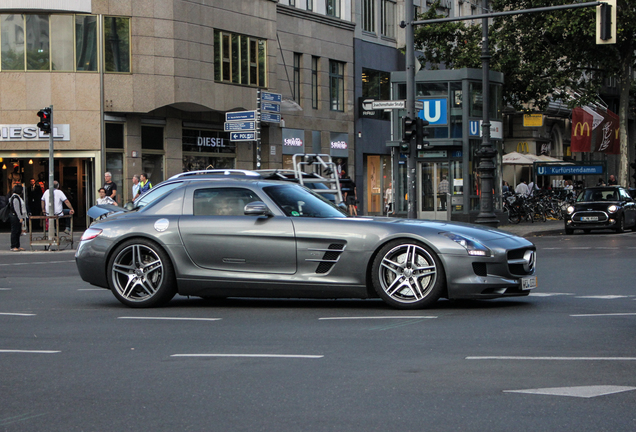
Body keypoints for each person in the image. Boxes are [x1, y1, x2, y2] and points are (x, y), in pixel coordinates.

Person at [8, 185, 27, 251]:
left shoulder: (16, 197)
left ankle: (17, 246)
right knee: (15, 231)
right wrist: (20, 217)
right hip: (15, 217)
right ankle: (13, 246)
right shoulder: (15, 198)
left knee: (18, 231)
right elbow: (17, 209)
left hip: (16, 216)